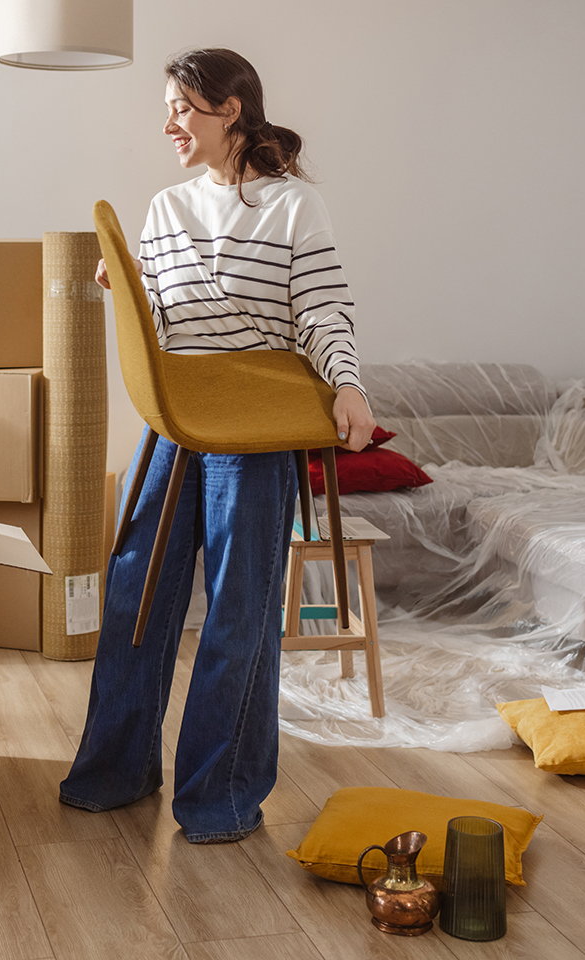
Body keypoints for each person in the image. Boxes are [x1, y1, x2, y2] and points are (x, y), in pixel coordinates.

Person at [59, 47, 375, 843]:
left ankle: (219, 797)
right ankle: (115, 771)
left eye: (181, 107)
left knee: (239, 614)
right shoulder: (165, 208)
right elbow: (163, 332)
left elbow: (322, 311)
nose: (169, 124)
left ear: (229, 109)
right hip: (177, 418)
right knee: (134, 590)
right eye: (167, 108)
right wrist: (127, 292)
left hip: (256, 425)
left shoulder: (295, 208)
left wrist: (347, 383)